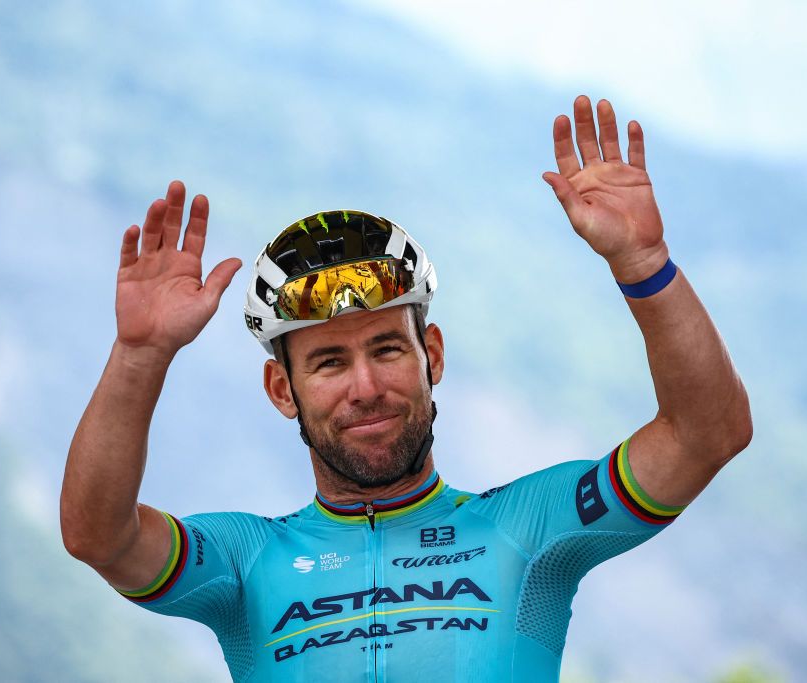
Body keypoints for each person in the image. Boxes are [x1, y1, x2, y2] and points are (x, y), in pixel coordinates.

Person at [61, 96, 752, 682]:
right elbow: (99, 533)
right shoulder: (245, 562)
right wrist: (140, 354)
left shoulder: (529, 528)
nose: (366, 386)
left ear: (434, 356)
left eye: (388, 348)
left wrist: (645, 264)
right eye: (329, 362)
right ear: (282, 389)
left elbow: (707, 433)